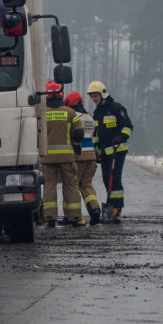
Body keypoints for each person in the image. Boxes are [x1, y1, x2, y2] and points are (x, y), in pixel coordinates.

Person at [87, 80, 133, 223]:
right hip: (105, 153)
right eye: (92, 96)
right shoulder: (97, 112)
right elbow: (96, 134)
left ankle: (116, 210)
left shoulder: (117, 108)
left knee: (115, 179)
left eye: (95, 96)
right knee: (107, 179)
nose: (94, 99)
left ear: (103, 94)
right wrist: (96, 151)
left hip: (117, 151)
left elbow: (128, 126)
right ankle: (111, 208)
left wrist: (122, 137)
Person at [41, 81, 86, 227]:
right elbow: (79, 134)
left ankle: (50, 218)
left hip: (46, 157)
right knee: (71, 185)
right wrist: (76, 146)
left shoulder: (41, 113)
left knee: (48, 186)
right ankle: (75, 217)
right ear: (61, 95)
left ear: (47, 95)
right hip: (67, 157)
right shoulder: (70, 112)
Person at [64, 91, 101, 225]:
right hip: (91, 155)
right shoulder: (89, 117)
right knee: (86, 185)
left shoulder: (73, 116)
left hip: (78, 155)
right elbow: (95, 138)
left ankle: (71, 216)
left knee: (71, 186)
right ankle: (95, 208)